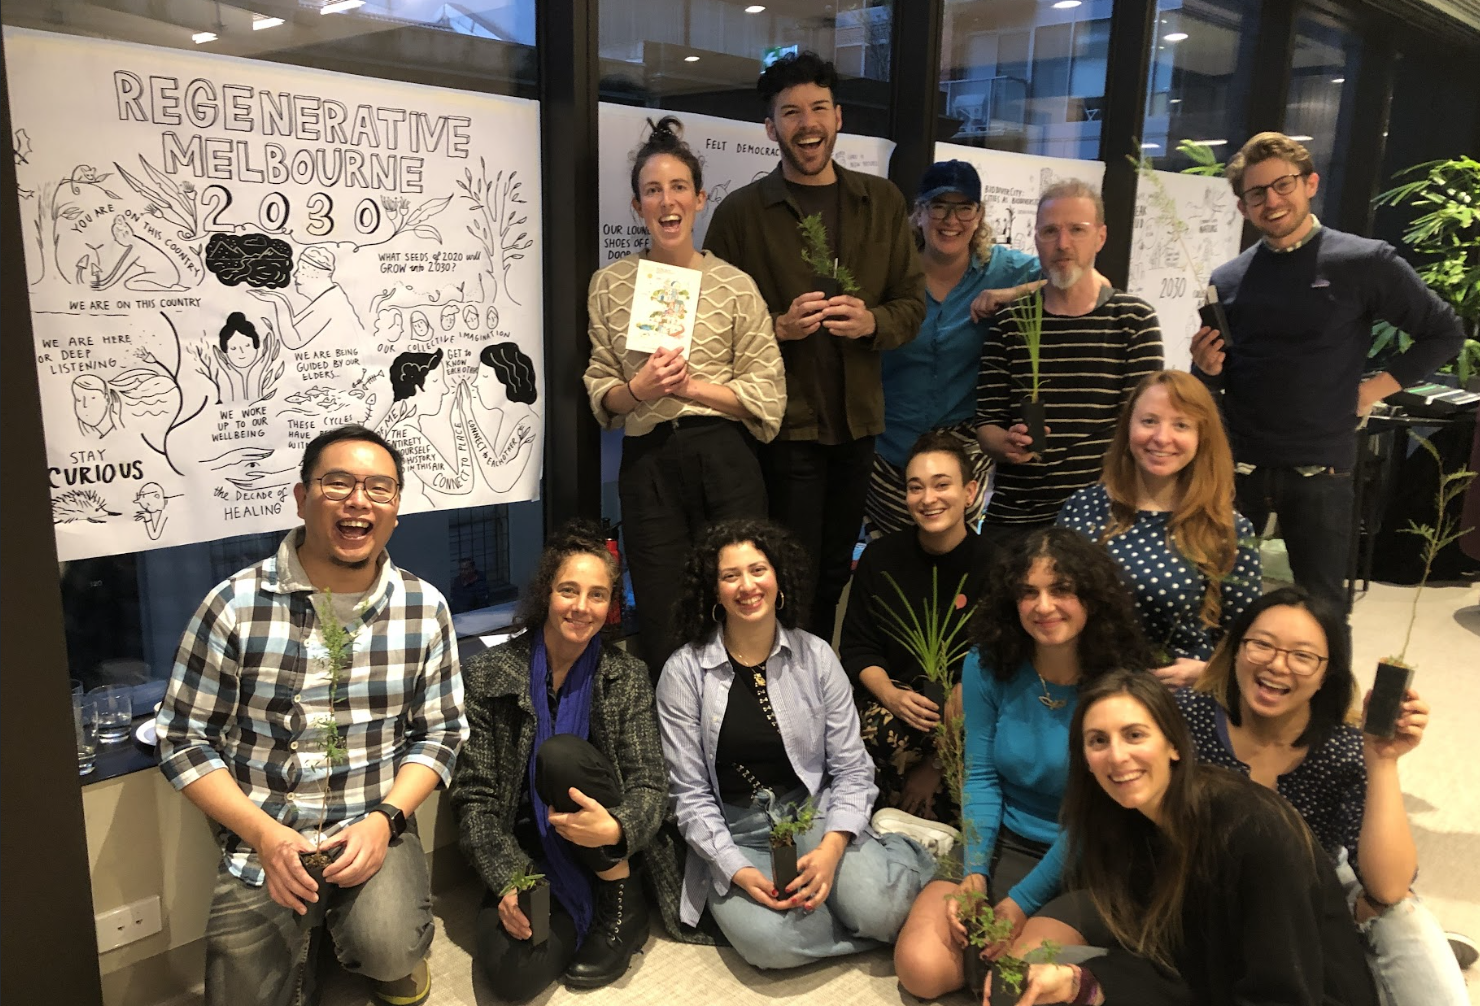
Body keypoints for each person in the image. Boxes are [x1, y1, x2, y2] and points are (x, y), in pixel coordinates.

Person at [156, 424, 467, 1006]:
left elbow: (442, 732)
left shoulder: (425, 609)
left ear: (395, 509)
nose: (358, 501)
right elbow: (182, 738)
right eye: (338, 483)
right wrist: (265, 837)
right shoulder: (234, 606)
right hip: (266, 833)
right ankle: (322, 931)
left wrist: (386, 820)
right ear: (301, 499)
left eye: (380, 488)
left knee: (390, 947)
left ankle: (349, 940)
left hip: (373, 822)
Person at [1190, 132, 1464, 617]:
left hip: (1321, 473)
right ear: (1242, 207)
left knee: (1322, 613)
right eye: (1257, 193)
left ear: (1310, 183)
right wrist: (1204, 367)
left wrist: (1374, 390)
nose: (1271, 201)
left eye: (1283, 185)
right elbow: (1217, 375)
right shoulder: (1227, 279)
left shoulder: (1364, 261)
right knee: (1221, 602)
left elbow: (1443, 332)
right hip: (1238, 471)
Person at [704, 51, 925, 641]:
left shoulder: (881, 203)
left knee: (833, 572)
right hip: (781, 427)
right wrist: (775, 328)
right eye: (791, 112)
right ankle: (775, 690)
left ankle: (816, 681)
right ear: (771, 128)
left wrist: (872, 321)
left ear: (839, 117)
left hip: (857, 426)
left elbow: (912, 304)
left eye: (819, 108)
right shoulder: (741, 215)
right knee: (782, 574)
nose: (808, 124)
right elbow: (710, 327)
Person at [999, 669, 1379, 1006]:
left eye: (1134, 735)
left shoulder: (1251, 830)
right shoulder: (1131, 826)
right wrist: (1079, 984)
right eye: (1098, 741)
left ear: (1174, 744)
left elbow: (1284, 990)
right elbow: (1180, 965)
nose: (1117, 756)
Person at [655, 518, 937, 970]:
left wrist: (830, 850)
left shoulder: (817, 656)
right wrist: (737, 870)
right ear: (714, 591)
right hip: (735, 831)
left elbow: (851, 768)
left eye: (758, 570)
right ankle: (849, 912)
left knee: (882, 911)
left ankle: (898, 855)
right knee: (771, 945)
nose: (747, 586)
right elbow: (686, 796)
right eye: (730, 576)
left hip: (813, 812)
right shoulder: (683, 672)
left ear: (779, 578)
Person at [892, 526, 1149, 1001]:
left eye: (1061, 590)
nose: (1043, 606)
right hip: (1003, 842)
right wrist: (974, 873)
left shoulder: (1121, 684)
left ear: (1091, 598)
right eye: (1028, 592)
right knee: (919, 970)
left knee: (1012, 983)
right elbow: (982, 777)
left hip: (1088, 858)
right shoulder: (987, 664)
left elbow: (1096, 816)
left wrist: (1020, 904)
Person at [451, 522, 704, 1002]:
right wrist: (509, 879)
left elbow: (650, 784)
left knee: (560, 753)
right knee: (515, 978)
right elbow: (475, 798)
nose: (581, 607)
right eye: (569, 590)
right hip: (528, 847)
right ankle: (558, 898)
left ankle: (621, 904)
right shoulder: (487, 674)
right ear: (547, 593)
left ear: (610, 605)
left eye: (597, 595)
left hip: (607, 845)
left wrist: (617, 830)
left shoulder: (625, 676)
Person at [1180, 587, 1469, 1005]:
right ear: (1236, 650)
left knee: (1402, 917)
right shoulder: (1187, 719)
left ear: (1326, 674)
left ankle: (1431, 951)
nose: (1278, 665)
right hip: (1211, 896)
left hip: (1318, 893)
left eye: (1303, 655)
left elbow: (1388, 888)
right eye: (1261, 644)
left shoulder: (1341, 747)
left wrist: (1381, 761)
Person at [584, 116, 786, 679]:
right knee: (661, 605)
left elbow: (767, 394)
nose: (666, 201)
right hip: (648, 461)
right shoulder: (611, 284)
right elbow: (601, 386)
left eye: (678, 188)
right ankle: (674, 747)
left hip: (723, 453)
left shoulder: (735, 284)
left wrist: (691, 385)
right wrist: (636, 389)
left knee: (742, 594)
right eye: (653, 190)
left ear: (699, 200)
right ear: (636, 205)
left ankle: (749, 722)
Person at [974, 180, 1163, 547]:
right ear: (1036, 238)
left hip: (1102, 518)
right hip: (1017, 515)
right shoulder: (1012, 323)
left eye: (1077, 230)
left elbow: (1139, 432)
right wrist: (1007, 444)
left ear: (1101, 237)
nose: (1063, 244)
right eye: (1050, 231)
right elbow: (986, 427)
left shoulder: (1132, 321)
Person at [866, 159, 1045, 535]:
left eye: (964, 208)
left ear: (979, 215)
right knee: (895, 559)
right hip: (889, 452)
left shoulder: (1005, 269)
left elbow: (1075, 282)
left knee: (954, 560)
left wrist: (1012, 293)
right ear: (919, 213)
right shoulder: (889, 272)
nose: (951, 220)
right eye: (939, 206)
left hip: (964, 456)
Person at [1058, 370, 1261, 688]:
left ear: (1201, 437)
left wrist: (1205, 673)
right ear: (1128, 428)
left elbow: (1247, 642)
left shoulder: (1228, 530)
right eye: (1149, 421)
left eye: (1180, 425)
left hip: (1173, 703)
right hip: (1082, 693)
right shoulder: (1081, 508)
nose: (1162, 438)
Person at [840, 431, 994, 823]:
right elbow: (858, 650)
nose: (928, 499)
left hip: (968, 714)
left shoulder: (997, 565)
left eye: (942, 485)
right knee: (874, 730)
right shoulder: (880, 558)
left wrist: (936, 766)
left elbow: (1002, 660)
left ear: (970, 491)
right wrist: (891, 695)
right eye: (916, 488)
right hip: (901, 710)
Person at [250, 245, 366, 349]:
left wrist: (279, 302)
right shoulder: (329, 297)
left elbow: (294, 340)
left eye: (302, 269)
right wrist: (282, 299)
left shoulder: (331, 302)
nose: (295, 274)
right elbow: (296, 325)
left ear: (318, 273)